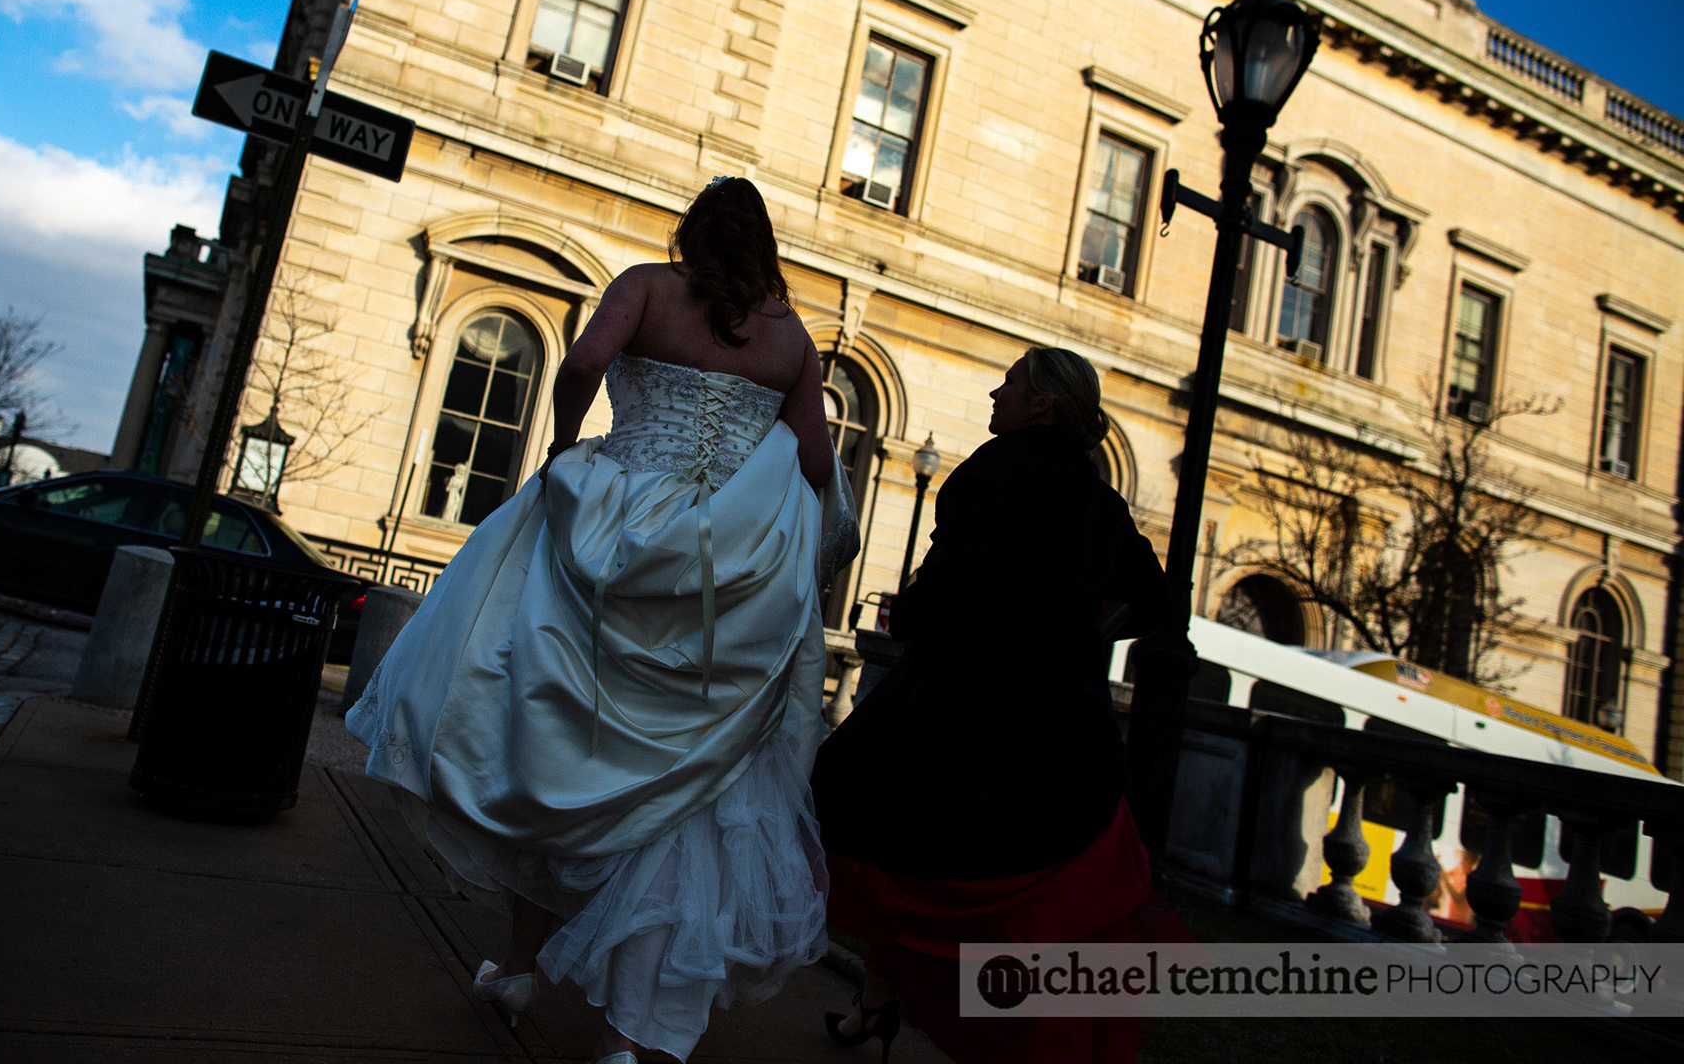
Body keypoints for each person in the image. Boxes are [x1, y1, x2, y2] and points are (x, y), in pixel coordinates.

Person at [348, 176, 857, 1064]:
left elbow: (582, 364)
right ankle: (627, 1033)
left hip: (615, 530)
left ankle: (516, 965)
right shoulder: (790, 338)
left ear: (693, 234)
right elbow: (814, 457)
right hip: (726, 574)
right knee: (690, 792)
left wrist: (565, 443)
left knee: (560, 746)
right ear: (763, 246)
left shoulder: (647, 287)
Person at [810, 346, 1175, 1064]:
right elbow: (1158, 600)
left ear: (1042, 402)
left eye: (1010, 382)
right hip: (1065, 732)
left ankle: (891, 1007)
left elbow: (947, 586)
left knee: (887, 844)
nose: (995, 391)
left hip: (967, 714)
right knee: (1025, 898)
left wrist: (911, 616)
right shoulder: (1099, 498)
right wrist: (1079, 631)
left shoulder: (991, 471)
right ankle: (878, 1007)